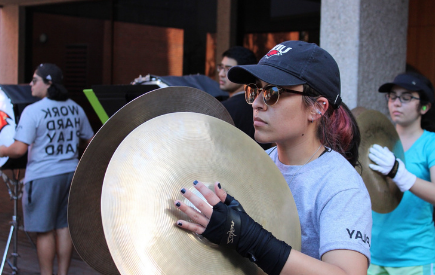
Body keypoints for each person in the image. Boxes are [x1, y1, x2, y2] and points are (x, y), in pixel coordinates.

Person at [173, 41, 372, 275]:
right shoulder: (256, 163)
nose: (257, 104)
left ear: (317, 108)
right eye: (254, 90)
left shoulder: (341, 185)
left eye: (273, 93)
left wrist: (247, 236)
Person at [0, 63, 94, 275]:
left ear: (48, 83)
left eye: (35, 80)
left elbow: (18, 149)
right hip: (70, 174)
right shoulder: (75, 108)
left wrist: (2, 150)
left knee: (44, 231)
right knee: (63, 227)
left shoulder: (33, 111)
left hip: (42, 177)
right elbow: (91, 140)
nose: (30, 85)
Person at [367, 72, 435, 274]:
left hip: (414, 257)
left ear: (424, 106)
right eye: (392, 96)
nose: (396, 103)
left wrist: (400, 174)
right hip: (372, 253)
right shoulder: (376, 140)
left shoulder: (430, 143)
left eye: (406, 97)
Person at [218, 46, 271, 149]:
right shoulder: (263, 104)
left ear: (242, 73)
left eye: (228, 69)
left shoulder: (222, 109)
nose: (221, 74)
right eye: (220, 68)